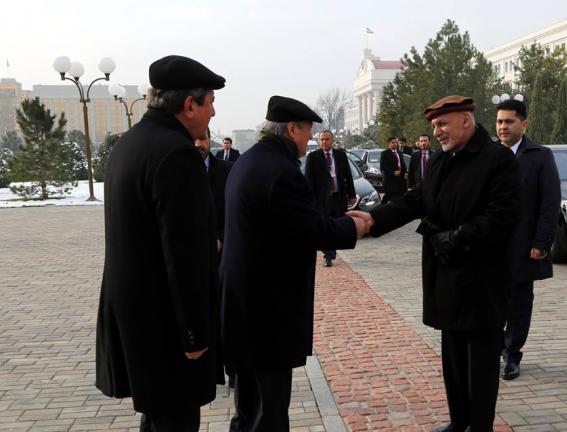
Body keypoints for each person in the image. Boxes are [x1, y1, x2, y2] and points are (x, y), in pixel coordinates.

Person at [349, 95, 522, 432]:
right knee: (453, 357)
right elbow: (418, 198)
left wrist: (455, 238)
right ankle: (459, 422)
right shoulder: (444, 159)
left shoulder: (497, 159)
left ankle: (480, 426)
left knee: (481, 364)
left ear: (466, 120)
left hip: (482, 279)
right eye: (434, 126)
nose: (437, 131)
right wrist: (373, 220)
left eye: (443, 124)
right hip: (446, 275)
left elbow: (502, 216)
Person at [220, 95, 370, 432]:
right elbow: (310, 228)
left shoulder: (251, 160)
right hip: (267, 307)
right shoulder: (280, 171)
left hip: (244, 302)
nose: (311, 138)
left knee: (248, 407)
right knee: (269, 412)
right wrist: (353, 227)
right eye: (307, 131)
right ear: (291, 129)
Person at [96, 55, 227, 432]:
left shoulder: (130, 143)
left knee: (158, 418)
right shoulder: (176, 154)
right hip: (167, 324)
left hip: (137, 316)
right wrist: (194, 332)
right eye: (210, 102)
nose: (213, 112)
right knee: (176, 419)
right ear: (189, 105)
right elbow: (183, 253)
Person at [496, 98, 561, 380]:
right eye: (499, 121)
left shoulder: (540, 156)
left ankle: (512, 355)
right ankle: (496, 346)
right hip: (489, 244)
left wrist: (541, 242)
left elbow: (550, 202)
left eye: (509, 121)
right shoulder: (487, 155)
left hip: (523, 245)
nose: (503, 126)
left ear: (524, 124)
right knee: (490, 300)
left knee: (519, 303)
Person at [194, 128, 236, 387]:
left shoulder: (227, 171)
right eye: (194, 139)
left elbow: (236, 209)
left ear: (210, 140)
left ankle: (232, 367)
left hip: (223, 254)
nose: (198, 144)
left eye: (202, 138)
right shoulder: (177, 171)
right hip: (192, 256)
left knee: (226, 313)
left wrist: (220, 236)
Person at [305, 130, 356, 267]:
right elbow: (308, 180)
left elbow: (348, 175)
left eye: (327, 139)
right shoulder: (313, 157)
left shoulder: (340, 155)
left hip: (338, 197)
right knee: (324, 226)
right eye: (322, 139)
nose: (324, 142)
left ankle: (331, 250)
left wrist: (351, 194)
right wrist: (310, 200)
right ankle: (328, 254)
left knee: (337, 226)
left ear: (332, 141)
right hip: (322, 199)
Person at [379, 136, 407, 203]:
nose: (395, 144)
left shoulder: (399, 153)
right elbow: (383, 167)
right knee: (388, 197)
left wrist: (405, 172)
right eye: (393, 142)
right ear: (389, 144)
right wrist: (393, 172)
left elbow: (402, 164)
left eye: (396, 142)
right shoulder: (385, 153)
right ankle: (381, 207)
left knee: (399, 197)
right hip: (390, 180)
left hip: (400, 180)